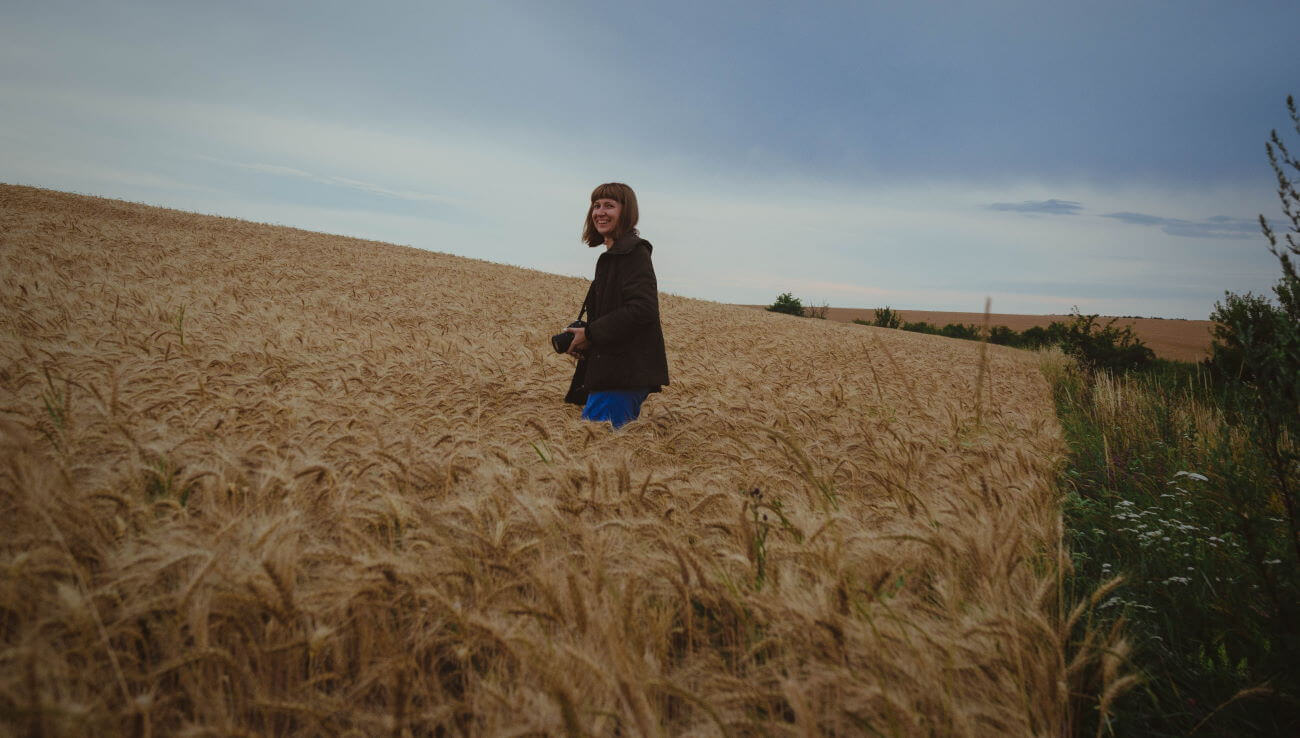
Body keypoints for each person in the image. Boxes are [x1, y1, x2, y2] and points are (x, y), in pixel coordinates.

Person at [562, 183, 669, 428]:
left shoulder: (633, 253)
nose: (600, 212)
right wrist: (587, 340)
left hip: (622, 374)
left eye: (609, 206)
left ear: (626, 211)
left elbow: (643, 308)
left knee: (599, 450)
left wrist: (590, 333)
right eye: (596, 206)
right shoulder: (615, 255)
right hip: (613, 372)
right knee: (599, 450)